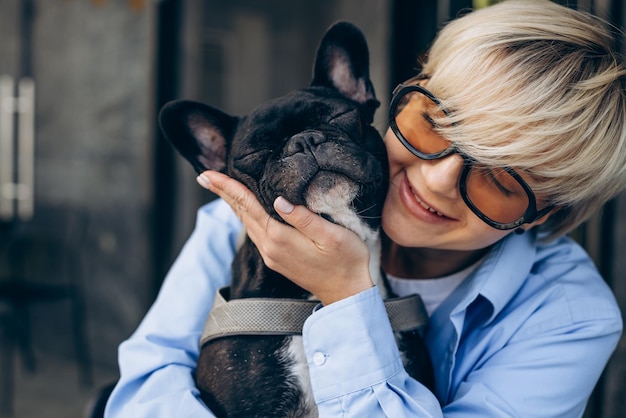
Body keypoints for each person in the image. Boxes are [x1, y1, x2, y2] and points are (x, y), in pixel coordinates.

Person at [105, 0, 626, 416]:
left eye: (498, 177)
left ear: (543, 214)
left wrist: (347, 296)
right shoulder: (247, 223)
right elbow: (144, 389)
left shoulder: (568, 320)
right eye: (434, 125)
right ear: (404, 92)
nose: (439, 178)